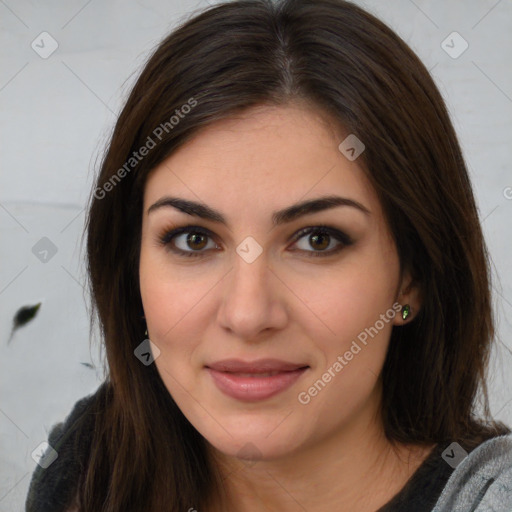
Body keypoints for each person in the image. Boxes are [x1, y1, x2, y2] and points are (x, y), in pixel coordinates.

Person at [25, 0, 512, 511]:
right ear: (131, 267)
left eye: (317, 239)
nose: (248, 313)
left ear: (411, 276)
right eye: (194, 239)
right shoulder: (88, 469)